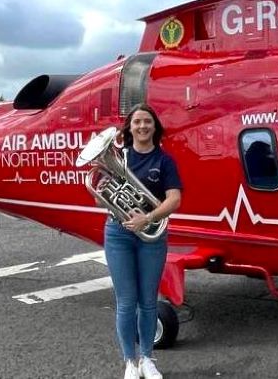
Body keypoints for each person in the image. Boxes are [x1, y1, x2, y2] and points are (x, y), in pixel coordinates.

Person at [105, 104, 183, 379]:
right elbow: (98, 194)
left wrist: (147, 216)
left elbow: (174, 199)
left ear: (154, 127)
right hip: (119, 235)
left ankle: (147, 359)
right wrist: (111, 197)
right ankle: (129, 362)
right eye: (137, 122)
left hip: (151, 235)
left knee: (148, 301)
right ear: (130, 127)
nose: (142, 126)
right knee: (126, 302)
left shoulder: (165, 161)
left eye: (147, 122)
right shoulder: (120, 157)